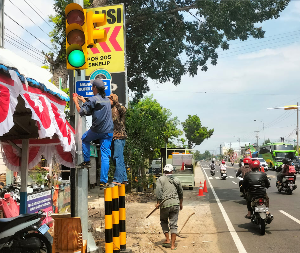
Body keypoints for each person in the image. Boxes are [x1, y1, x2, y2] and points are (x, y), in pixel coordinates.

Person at [73, 79, 114, 188]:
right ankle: (103, 181)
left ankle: (87, 161)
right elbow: (95, 109)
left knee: (85, 138)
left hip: (97, 130)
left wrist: (76, 101)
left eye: (92, 87)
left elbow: (81, 112)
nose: (91, 88)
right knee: (105, 156)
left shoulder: (93, 99)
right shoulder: (107, 100)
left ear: (94, 88)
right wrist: (84, 100)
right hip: (108, 131)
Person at [155, 164, 183, 250]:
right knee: (173, 224)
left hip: (165, 204)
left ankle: (167, 239)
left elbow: (158, 192)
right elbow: (180, 193)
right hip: (175, 203)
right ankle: (173, 245)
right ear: (172, 171)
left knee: (164, 221)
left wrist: (158, 203)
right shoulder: (176, 179)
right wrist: (180, 203)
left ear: (164, 171)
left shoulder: (160, 179)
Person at [108, 94, 128, 185]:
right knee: (117, 158)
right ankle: (124, 178)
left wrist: (116, 103)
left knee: (117, 157)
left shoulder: (120, 109)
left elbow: (123, 110)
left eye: (110, 99)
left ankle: (118, 179)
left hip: (119, 137)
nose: (108, 101)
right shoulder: (110, 109)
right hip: (114, 137)